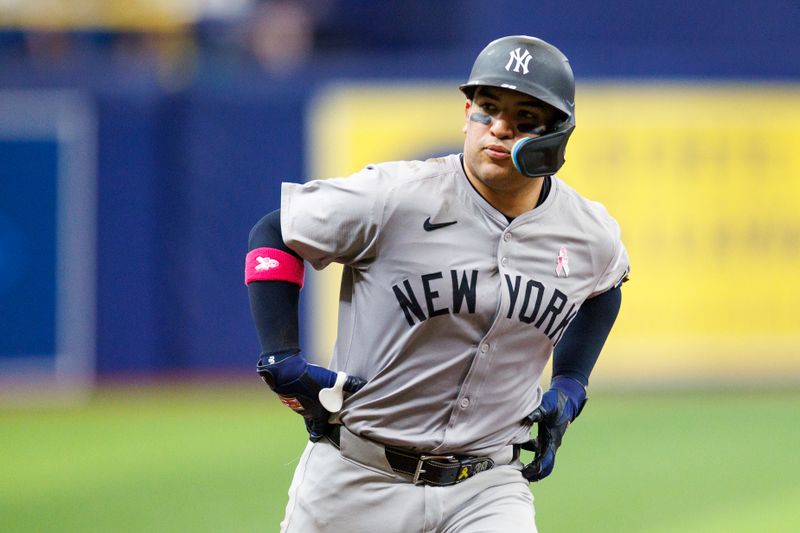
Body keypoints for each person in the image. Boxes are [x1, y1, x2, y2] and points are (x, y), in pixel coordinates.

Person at [245, 35, 630, 532]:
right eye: (487, 110)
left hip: (488, 487)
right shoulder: (396, 196)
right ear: (466, 110)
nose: (498, 129)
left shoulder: (586, 232)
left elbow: (606, 285)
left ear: (556, 136)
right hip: (358, 478)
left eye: (523, 119)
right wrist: (280, 356)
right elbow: (277, 232)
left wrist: (571, 384)